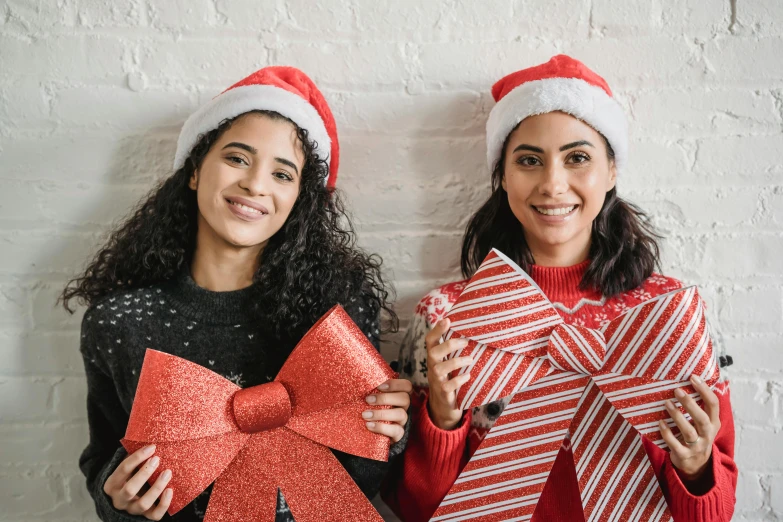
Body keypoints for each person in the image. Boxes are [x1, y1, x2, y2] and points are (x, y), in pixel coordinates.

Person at [382, 55, 737, 521]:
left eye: (578, 158)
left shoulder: (669, 315)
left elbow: (717, 511)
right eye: (530, 160)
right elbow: (418, 510)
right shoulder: (449, 316)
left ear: (611, 171)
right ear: (503, 176)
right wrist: (444, 421)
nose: (553, 183)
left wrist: (696, 467)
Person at [61, 66, 412, 521]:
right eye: (237, 158)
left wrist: (386, 432)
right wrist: (117, 499)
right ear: (194, 171)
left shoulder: (338, 314)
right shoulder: (118, 321)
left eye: (283, 174)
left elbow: (362, 484)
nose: (256, 184)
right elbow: (102, 457)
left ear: (299, 202)